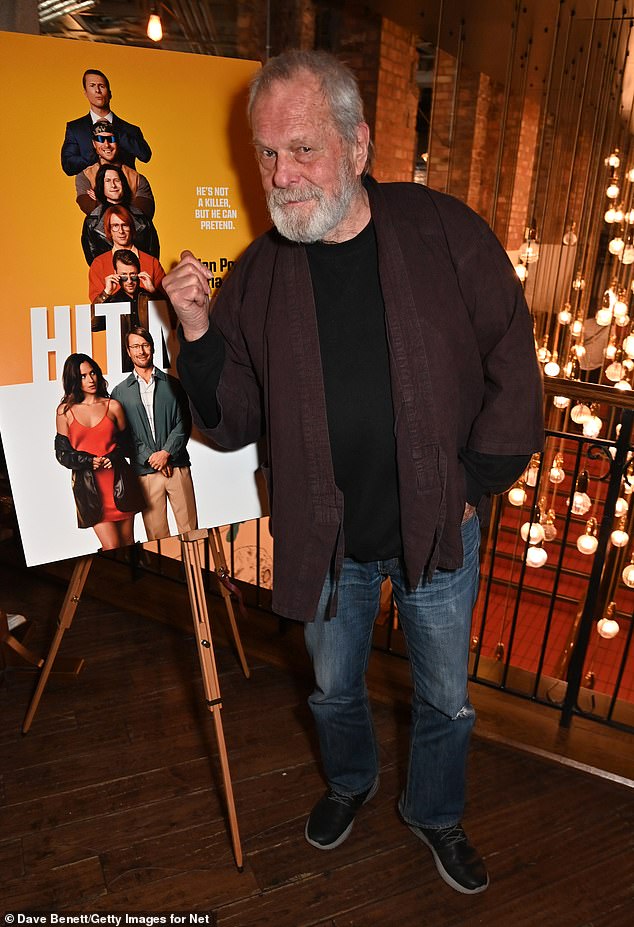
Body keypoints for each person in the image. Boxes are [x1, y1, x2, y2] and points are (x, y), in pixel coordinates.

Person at [162, 50, 543, 895]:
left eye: (302, 149)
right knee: (334, 690)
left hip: (439, 528)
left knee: (446, 696)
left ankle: (436, 813)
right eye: (266, 152)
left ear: (358, 145)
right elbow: (230, 422)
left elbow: (511, 353)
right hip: (326, 540)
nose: (280, 175)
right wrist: (194, 331)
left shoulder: (443, 232)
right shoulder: (258, 275)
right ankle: (351, 781)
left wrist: (477, 481)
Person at [111, 328, 197, 541]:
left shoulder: (174, 385)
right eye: (135, 346)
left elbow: (184, 423)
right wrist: (153, 458)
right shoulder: (119, 393)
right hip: (145, 473)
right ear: (128, 352)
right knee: (157, 537)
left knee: (191, 531)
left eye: (145, 345)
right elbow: (123, 436)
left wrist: (167, 453)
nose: (141, 351)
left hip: (177, 467)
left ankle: (197, 571)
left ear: (153, 347)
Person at [55, 353, 142, 550]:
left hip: (120, 482)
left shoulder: (113, 406)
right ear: (73, 380)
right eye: (83, 376)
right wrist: (87, 461)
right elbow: (62, 454)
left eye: (92, 373)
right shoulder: (64, 411)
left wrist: (113, 456)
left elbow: (129, 444)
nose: (90, 379)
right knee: (111, 545)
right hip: (89, 489)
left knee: (128, 543)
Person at [61, 69, 152, 176]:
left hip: (128, 190)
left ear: (109, 93)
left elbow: (145, 155)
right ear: (85, 92)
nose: (97, 90)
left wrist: (117, 134)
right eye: (92, 85)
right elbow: (68, 166)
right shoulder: (76, 128)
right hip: (90, 190)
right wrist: (98, 153)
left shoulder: (130, 129)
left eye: (101, 86)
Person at [81, 164, 160, 264]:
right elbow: (93, 262)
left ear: (123, 183)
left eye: (117, 180)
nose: (113, 185)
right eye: (107, 181)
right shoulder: (91, 222)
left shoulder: (142, 218)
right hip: (107, 277)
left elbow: (153, 257)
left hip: (142, 276)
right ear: (102, 185)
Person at [75, 120, 155, 217]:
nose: (106, 144)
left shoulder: (137, 179)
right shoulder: (85, 176)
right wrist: (126, 205)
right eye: (100, 139)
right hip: (98, 231)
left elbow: (143, 214)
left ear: (118, 142)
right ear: (94, 143)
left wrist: (100, 200)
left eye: (111, 139)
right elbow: (90, 209)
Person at [88, 205, 165, 303]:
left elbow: (168, 307)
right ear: (109, 230)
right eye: (115, 226)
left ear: (131, 227)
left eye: (125, 225)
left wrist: (153, 291)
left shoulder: (152, 262)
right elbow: (95, 310)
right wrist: (107, 292)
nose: (121, 231)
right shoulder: (99, 264)